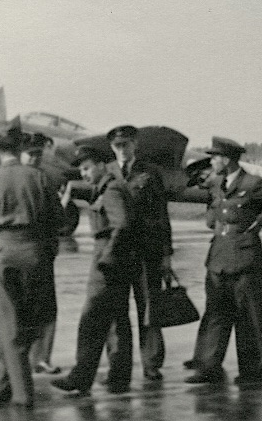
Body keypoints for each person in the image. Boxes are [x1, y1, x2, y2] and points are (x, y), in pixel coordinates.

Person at [185, 137, 262, 387]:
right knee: (214, 313)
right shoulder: (217, 184)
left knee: (247, 315)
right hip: (219, 256)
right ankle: (207, 366)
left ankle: (251, 370)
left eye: (214, 157)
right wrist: (213, 220)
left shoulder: (253, 183)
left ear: (227, 159)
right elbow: (213, 210)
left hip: (245, 256)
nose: (211, 161)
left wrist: (260, 223)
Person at [0, 130, 63, 409]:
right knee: (33, 323)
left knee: (9, 326)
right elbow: (57, 218)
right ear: (20, 148)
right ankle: (0, 389)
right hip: (35, 252)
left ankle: (20, 395)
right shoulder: (39, 177)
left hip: (3, 252)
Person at [51, 145, 134, 396]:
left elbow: (122, 226)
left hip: (108, 262)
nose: (84, 174)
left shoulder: (111, 190)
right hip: (115, 260)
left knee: (91, 321)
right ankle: (119, 376)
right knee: (117, 321)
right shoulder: (109, 187)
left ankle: (81, 377)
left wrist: (107, 260)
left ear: (101, 165)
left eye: (87, 168)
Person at [104, 124, 172, 385]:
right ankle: (118, 365)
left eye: (126, 145)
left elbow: (162, 215)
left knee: (148, 308)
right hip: (119, 253)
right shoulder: (107, 173)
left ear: (135, 145)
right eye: (117, 146)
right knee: (117, 311)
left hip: (146, 252)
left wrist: (166, 255)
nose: (122, 150)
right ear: (112, 148)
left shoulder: (150, 172)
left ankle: (152, 363)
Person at [21, 132, 62, 375]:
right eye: (31, 154)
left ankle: (41, 357)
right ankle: (21, 359)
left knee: (45, 307)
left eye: (39, 154)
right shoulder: (29, 179)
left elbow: (58, 218)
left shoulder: (44, 180)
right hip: (24, 250)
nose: (35, 158)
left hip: (41, 253)